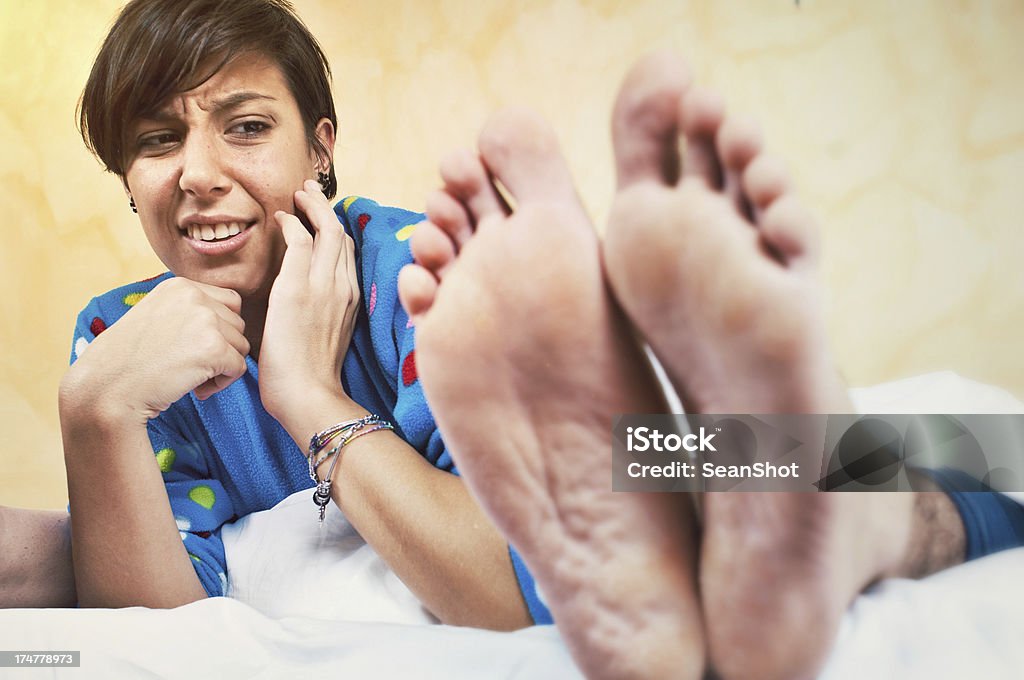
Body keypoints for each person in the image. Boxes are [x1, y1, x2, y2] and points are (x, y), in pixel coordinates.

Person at [396, 51, 1024, 680]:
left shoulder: (379, 260)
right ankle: (840, 515)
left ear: (324, 147)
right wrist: (304, 389)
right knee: (944, 452)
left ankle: (834, 510)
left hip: (674, 449)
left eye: (287, 120)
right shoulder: (374, 312)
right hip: (645, 460)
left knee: (981, 445)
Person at [52, 0, 547, 629]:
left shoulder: (425, 267)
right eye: (157, 140)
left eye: (248, 127)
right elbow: (155, 642)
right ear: (128, 181)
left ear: (320, 148)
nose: (199, 175)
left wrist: (311, 397)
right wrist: (95, 410)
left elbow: (521, 588)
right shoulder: (118, 341)